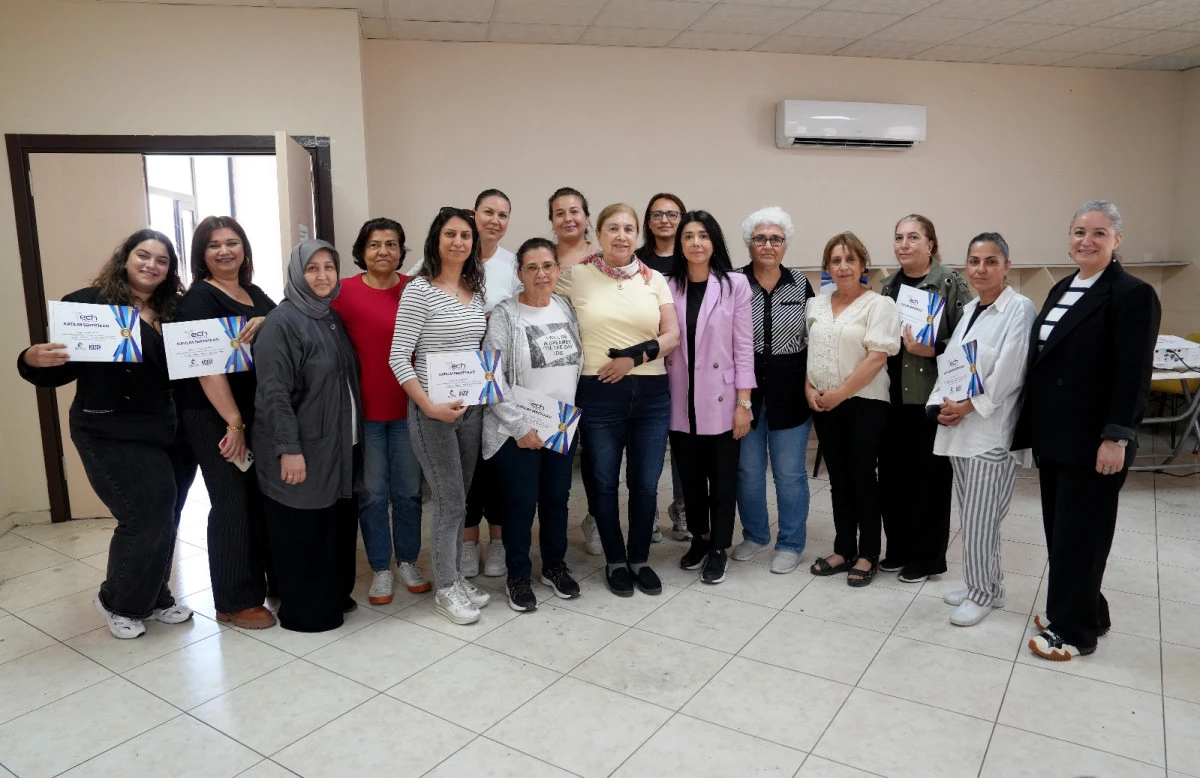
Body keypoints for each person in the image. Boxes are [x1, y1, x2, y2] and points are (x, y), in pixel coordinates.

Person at [17, 230, 196, 639]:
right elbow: (61, 368)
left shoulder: (176, 309)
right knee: (146, 514)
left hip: (171, 429)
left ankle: (155, 595)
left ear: (170, 269)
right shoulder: (89, 304)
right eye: (143, 255)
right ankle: (119, 601)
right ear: (125, 258)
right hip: (110, 429)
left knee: (167, 516)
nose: (151, 265)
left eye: (162, 260)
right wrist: (31, 358)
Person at [1017, 201, 1160, 660]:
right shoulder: (1063, 287)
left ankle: (1075, 632)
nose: (1087, 240)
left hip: (1095, 439)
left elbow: (1133, 375)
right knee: (1062, 532)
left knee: (1083, 536)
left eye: (1099, 233)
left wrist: (1116, 437)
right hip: (1056, 436)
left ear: (1117, 240)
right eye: (1079, 231)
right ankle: (1086, 609)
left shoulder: (1132, 294)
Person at [557, 203, 680, 597]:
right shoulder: (576, 275)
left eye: (628, 229)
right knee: (603, 482)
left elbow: (672, 335)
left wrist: (634, 358)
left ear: (637, 234)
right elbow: (540, 309)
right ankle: (615, 560)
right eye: (613, 228)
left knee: (645, 484)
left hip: (652, 394)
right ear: (599, 233)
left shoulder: (653, 278)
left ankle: (639, 558)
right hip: (598, 392)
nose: (621, 236)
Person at [389, 207, 492, 625]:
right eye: (450, 234)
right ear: (436, 239)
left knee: (460, 500)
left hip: (470, 410)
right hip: (432, 412)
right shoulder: (419, 290)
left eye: (466, 236)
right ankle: (446, 588)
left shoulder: (475, 290)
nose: (458, 242)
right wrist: (429, 406)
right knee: (448, 501)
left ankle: (455, 577)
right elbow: (398, 357)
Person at [253, 240, 362, 632]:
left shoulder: (328, 315)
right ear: (297, 274)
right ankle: (307, 611)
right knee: (302, 530)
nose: (322, 275)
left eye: (329, 267)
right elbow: (274, 394)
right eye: (312, 268)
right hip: (303, 449)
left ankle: (333, 596)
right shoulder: (281, 323)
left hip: (336, 446)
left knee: (331, 525)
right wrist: (289, 450)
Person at [927, 233, 1036, 626]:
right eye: (974, 261)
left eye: (991, 261)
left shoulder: (1019, 309)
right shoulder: (972, 308)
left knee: (981, 520)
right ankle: (988, 585)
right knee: (973, 515)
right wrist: (939, 406)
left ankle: (982, 594)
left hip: (992, 433)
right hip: (960, 431)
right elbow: (952, 365)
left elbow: (1011, 371)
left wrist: (968, 406)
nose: (981, 269)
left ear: (1007, 266)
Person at [177, 216, 276, 630]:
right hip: (214, 415)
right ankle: (234, 600)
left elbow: (286, 322)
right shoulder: (200, 299)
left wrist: (268, 321)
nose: (224, 251)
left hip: (249, 412)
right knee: (231, 500)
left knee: (254, 499)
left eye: (232, 242)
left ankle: (259, 583)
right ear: (202, 254)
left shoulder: (252, 292)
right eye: (214, 244)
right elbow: (204, 366)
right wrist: (234, 424)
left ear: (244, 249)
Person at [482, 237, 584, 611]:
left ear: (558, 269)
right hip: (517, 430)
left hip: (560, 426)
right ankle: (519, 576)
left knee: (557, 501)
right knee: (520, 506)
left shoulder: (565, 307)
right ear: (520, 273)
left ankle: (554, 566)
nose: (541, 274)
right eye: (532, 267)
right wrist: (520, 426)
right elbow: (492, 378)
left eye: (548, 266)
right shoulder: (505, 316)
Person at [331, 218, 428, 606]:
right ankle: (380, 568)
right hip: (365, 415)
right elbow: (305, 315)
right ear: (362, 251)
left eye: (391, 244)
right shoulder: (343, 292)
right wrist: (266, 319)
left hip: (409, 409)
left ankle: (407, 561)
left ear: (401, 251)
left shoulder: (415, 289)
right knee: (372, 495)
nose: (383, 251)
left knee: (408, 493)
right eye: (374, 244)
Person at [878, 215, 971, 584]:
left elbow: (969, 341)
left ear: (930, 244)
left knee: (929, 482)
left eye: (913, 237)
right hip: (891, 398)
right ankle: (898, 549)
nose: (904, 244)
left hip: (931, 400)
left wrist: (931, 350)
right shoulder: (888, 287)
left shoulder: (950, 283)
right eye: (899, 237)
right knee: (892, 479)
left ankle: (926, 558)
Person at [664, 211, 754, 585]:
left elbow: (744, 347)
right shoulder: (668, 285)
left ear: (714, 241)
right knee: (690, 478)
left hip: (722, 398)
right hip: (680, 397)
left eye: (703, 235)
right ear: (680, 244)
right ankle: (699, 539)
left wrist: (744, 404)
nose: (696, 243)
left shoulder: (735, 285)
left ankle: (718, 547)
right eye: (688, 236)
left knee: (722, 480)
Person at [806, 233, 900, 587]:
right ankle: (843, 548)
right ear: (827, 267)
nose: (843, 266)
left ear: (863, 265)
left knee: (862, 477)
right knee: (838, 480)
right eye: (836, 261)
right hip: (824, 404)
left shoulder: (879, 305)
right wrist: (809, 389)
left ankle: (868, 552)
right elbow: (809, 353)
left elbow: (877, 358)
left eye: (850, 260)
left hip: (864, 404)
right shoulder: (816, 304)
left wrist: (840, 394)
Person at [731, 207, 815, 574]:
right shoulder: (733, 282)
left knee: (790, 474)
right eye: (760, 238)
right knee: (748, 472)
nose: (768, 245)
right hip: (744, 394)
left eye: (776, 239)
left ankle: (791, 543)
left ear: (785, 244)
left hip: (790, 394)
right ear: (749, 243)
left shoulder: (800, 284)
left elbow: (812, 338)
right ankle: (755, 535)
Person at [462, 189, 520, 579]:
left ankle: (499, 540)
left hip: (501, 377)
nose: (495, 220)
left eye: (502, 214)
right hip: (458, 379)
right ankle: (468, 542)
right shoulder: (448, 256)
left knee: (499, 462)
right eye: (488, 212)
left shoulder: (512, 264)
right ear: (473, 214)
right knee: (467, 465)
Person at [635, 192, 690, 543]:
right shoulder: (636, 261)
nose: (665, 220)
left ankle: (683, 508)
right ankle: (648, 510)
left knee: (683, 442)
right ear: (648, 221)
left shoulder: (692, 257)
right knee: (647, 444)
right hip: (647, 363)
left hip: (686, 362)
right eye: (657, 214)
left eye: (672, 214)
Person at [548, 187, 595, 269]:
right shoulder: (542, 261)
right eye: (560, 214)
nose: (567, 219)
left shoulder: (604, 259)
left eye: (574, 211)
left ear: (587, 218)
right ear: (552, 222)